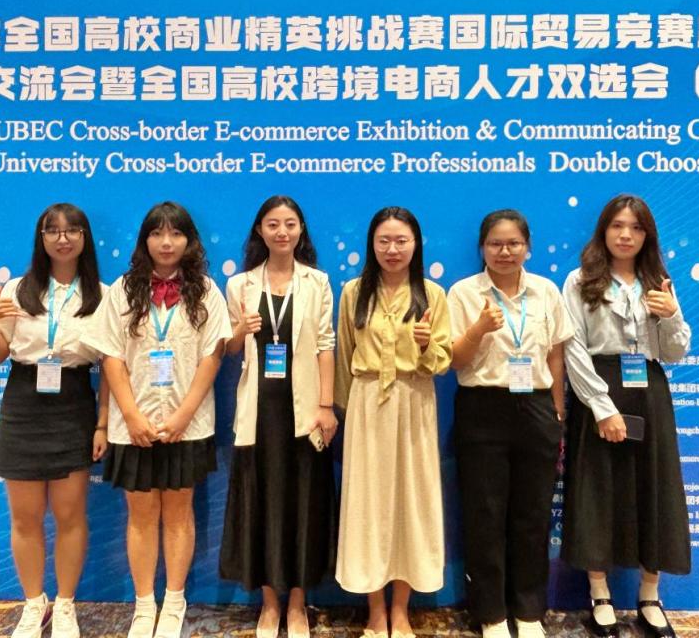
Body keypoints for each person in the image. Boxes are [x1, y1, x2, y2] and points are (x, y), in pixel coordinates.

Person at [82, 201, 231, 638]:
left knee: (180, 513)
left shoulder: (206, 291)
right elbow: (111, 356)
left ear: (189, 241)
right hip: (135, 426)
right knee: (141, 515)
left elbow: (212, 357)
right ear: (144, 240)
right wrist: (130, 415)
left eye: (176, 234)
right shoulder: (123, 290)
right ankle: (144, 604)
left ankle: (175, 601)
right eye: (157, 233)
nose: (166, 243)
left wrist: (183, 416)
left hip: (189, 424)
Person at [560, 195, 692, 638]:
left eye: (636, 228)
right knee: (597, 490)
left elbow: (674, 352)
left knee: (654, 489)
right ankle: (600, 595)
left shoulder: (658, 282)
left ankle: (649, 596)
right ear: (604, 230)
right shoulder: (580, 280)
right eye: (617, 225)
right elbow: (573, 347)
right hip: (599, 389)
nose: (625, 235)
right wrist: (602, 407)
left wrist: (671, 316)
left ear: (647, 236)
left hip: (649, 392)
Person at [0, 203, 107, 638]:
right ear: (41, 238)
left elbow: (112, 365)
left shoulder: (102, 295)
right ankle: (34, 604)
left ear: (85, 238)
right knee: (25, 517)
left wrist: (103, 424)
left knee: (70, 515)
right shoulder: (17, 289)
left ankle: (66, 604)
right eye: (53, 231)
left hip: (73, 401)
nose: (62, 238)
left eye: (72, 230)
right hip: (24, 403)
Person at [447, 209, 573, 638]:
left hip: (536, 407)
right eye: (496, 244)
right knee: (484, 514)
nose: (505, 252)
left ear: (527, 247)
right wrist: (480, 328)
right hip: (482, 408)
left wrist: (557, 412)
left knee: (532, 514)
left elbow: (555, 355)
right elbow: (454, 360)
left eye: (513, 243)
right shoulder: (464, 293)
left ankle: (529, 610)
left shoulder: (545, 291)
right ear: (482, 248)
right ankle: (492, 613)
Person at [220, 195, 338, 638]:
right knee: (262, 505)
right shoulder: (240, 284)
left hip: (304, 411)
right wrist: (239, 331)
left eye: (290, 223)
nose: (282, 231)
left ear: (301, 230)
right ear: (260, 230)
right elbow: (230, 348)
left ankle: (297, 605)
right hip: (260, 411)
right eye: (273, 224)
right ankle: (269, 605)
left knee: (303, 505)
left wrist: (325, 405)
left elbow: (325, 345)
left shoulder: (317, 282)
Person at [334, 206, 452, 638]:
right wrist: (340, 412)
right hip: (367, 404)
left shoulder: (432, 294)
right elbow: (344, 355)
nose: (392, 249)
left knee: (411, 504)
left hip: (414, 400)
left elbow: (442, 362)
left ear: (416, 244)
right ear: (372, 244)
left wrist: (424, 345)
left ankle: (400, 609)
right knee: (368, 506)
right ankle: (375, 610)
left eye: (401, 240)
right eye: (383, 240)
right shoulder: (353, 292)